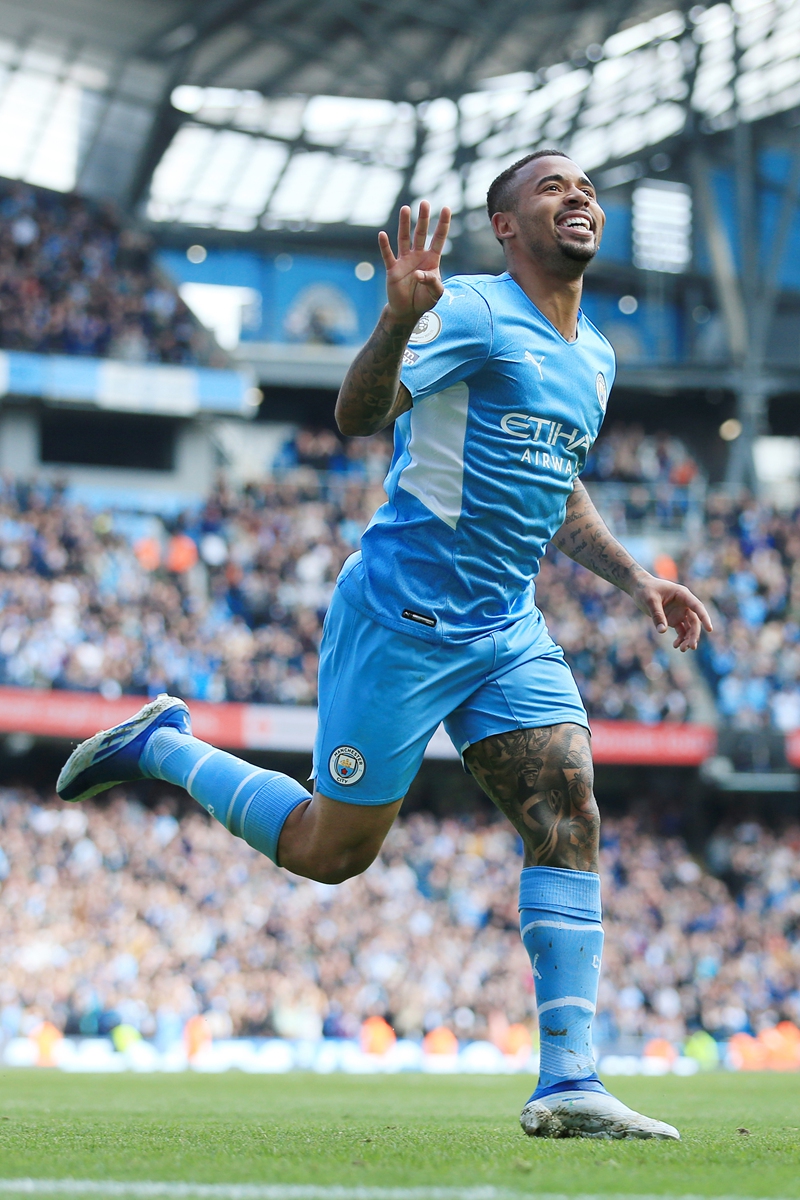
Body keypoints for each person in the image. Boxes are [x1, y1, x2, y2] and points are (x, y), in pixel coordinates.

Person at [58, 149, 712, 1140]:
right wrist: (401, 315)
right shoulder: (475, 313)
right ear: (505, 226)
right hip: (398, 622)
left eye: (584, 188)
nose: (577, 198)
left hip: (502, 630)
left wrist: (635, 577)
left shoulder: (595, 356)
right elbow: (358, 414)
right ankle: (162, 746)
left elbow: (556, 482)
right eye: (551, 188)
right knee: (332, 853)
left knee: (566, 807)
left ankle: (568, 1081)